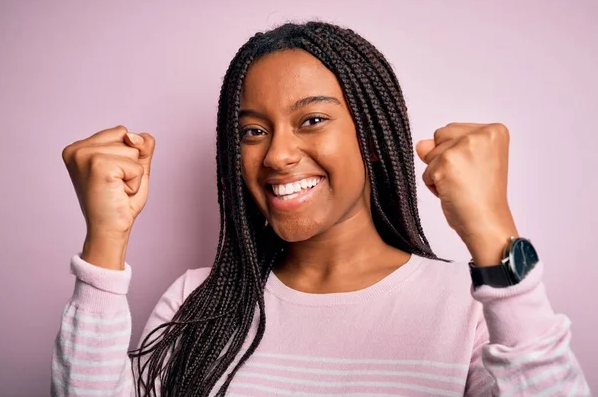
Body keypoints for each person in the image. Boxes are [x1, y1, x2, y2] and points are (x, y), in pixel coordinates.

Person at [51, 21, 590, 396]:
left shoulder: (471, 309)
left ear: (374, 139)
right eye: (252, 131)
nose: (278, 155)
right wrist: (105, 238)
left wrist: (496, 242)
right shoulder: (197, 301)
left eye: (311, 120)